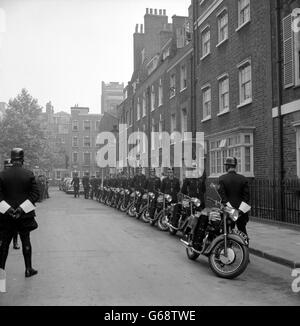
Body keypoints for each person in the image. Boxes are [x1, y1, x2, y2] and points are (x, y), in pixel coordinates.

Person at [0, 148, 40, 277]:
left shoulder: (2, 175)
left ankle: (1, 276)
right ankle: (28, 269)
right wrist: (21, 209)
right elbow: (35, 194)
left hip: (6, 216)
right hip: (24, 216)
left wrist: (9, 209)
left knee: (4, 245)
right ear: (22, 160)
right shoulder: (28, 174)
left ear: (11, 160)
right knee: (26, 240)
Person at [218, 157, 251, 236]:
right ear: (235, 166)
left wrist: (231, 210)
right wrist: (239, 211)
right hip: (241, 212)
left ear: (228, 166)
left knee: (227, 232)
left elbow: (223, 198)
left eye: (226, 165)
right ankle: (245, 246)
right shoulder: (243, 179)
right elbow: (247, 198)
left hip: (228, 212)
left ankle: (228, 246)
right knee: (242, 231)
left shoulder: (222, 179)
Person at [171, 163, 206, 229]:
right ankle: (181, 224)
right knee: (187, 212)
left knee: (200, 216)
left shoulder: (200, 180)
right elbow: (183, 190)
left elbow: (204, 190)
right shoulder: (188, 179)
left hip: (199, 201)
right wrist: (187, 196)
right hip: (190, 200)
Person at [3, 159, 20, 250]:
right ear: (4, 167)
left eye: (10, 166)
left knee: (15, 225)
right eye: (7, 167)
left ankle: (15, 242)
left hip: (13, 204)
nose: (8, 168)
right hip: (2, 204)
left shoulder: (16, 178)